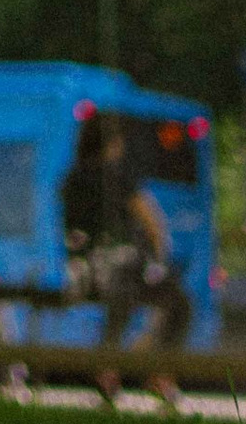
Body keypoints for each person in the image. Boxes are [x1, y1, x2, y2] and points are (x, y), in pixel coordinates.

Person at [62, 115, 191, 405]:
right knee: (179, 303)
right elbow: (152, 223)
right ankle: (159, 374)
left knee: (121, 300)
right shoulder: (118, 176)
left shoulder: (72, 178)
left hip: (85, 272)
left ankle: (108, 370)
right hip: (123, 271)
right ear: (114, 142)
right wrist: (158, 259)